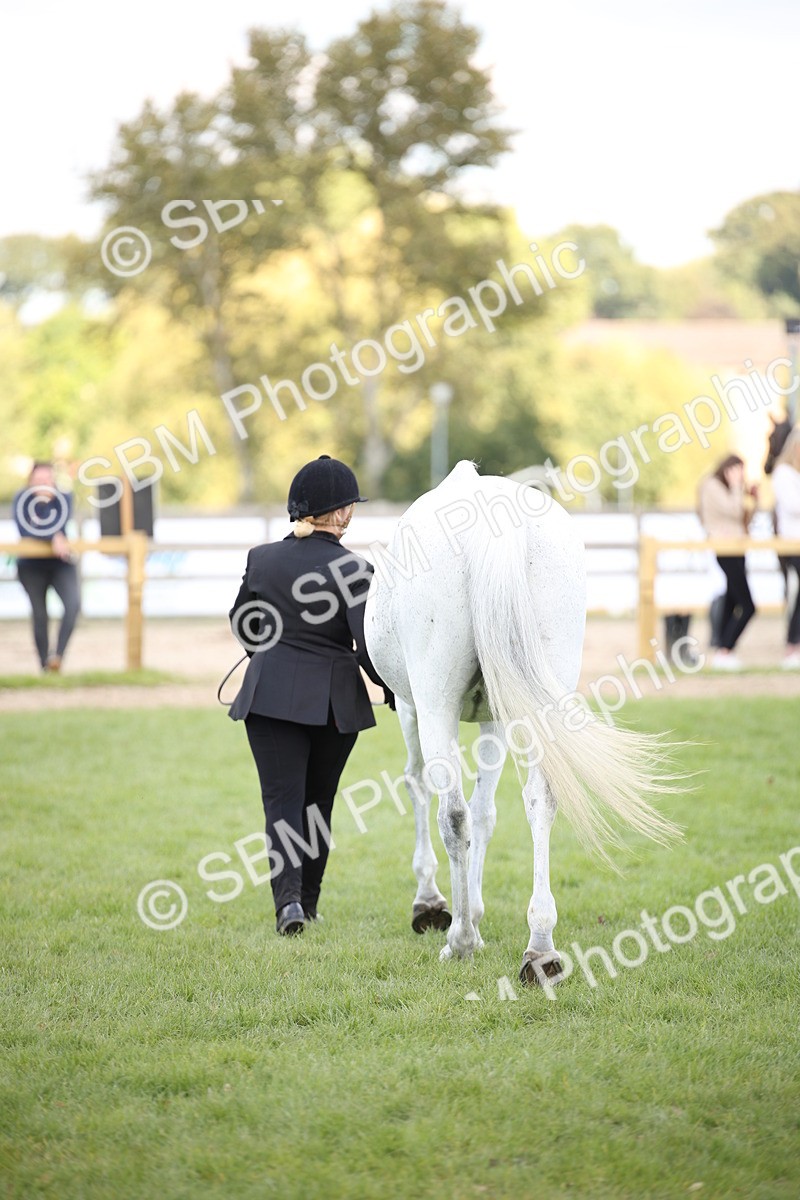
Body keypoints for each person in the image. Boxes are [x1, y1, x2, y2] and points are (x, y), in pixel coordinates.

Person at [228, 455, 392, 937]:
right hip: (333, 704)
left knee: (281, 803)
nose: (351, 514)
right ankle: (310, 904)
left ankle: (289, 906)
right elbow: (368, 646)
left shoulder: (262, 559)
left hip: (269, 697)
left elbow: (243, 621)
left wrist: (269, 653)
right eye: (349, 506)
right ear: (338, 513)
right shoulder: (355, 568)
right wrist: (389, 690)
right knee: (318, 806)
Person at [13, 461, 80, 672]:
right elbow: (26, 530)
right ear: (30, 483)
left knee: (73, 606)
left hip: (60, 564)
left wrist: (51, 533)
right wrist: (53, 536)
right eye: (38, 481)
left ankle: (57, 657)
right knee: (40, 614)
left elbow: (60, 521)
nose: (43, 484)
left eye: (47, 480)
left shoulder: (65, 498)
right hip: (31, 566)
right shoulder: (21, 500)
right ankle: (44, 665)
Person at [698, 454, 758, 671]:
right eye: (736, 471)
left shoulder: (733, 490)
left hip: (738, 547)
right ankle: (725, 648)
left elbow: (744, 518)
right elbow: (732, 510)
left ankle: (723, 652)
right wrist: (736, 487)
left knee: (733, 599)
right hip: (725, 548)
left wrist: (752, 498)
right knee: (748, 605)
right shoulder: (713, 486)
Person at [771, 428, 800, 669]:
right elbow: (792, 505)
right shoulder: (783, 473)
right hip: (792, 543)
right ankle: (792, 645)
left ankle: (794, 644)